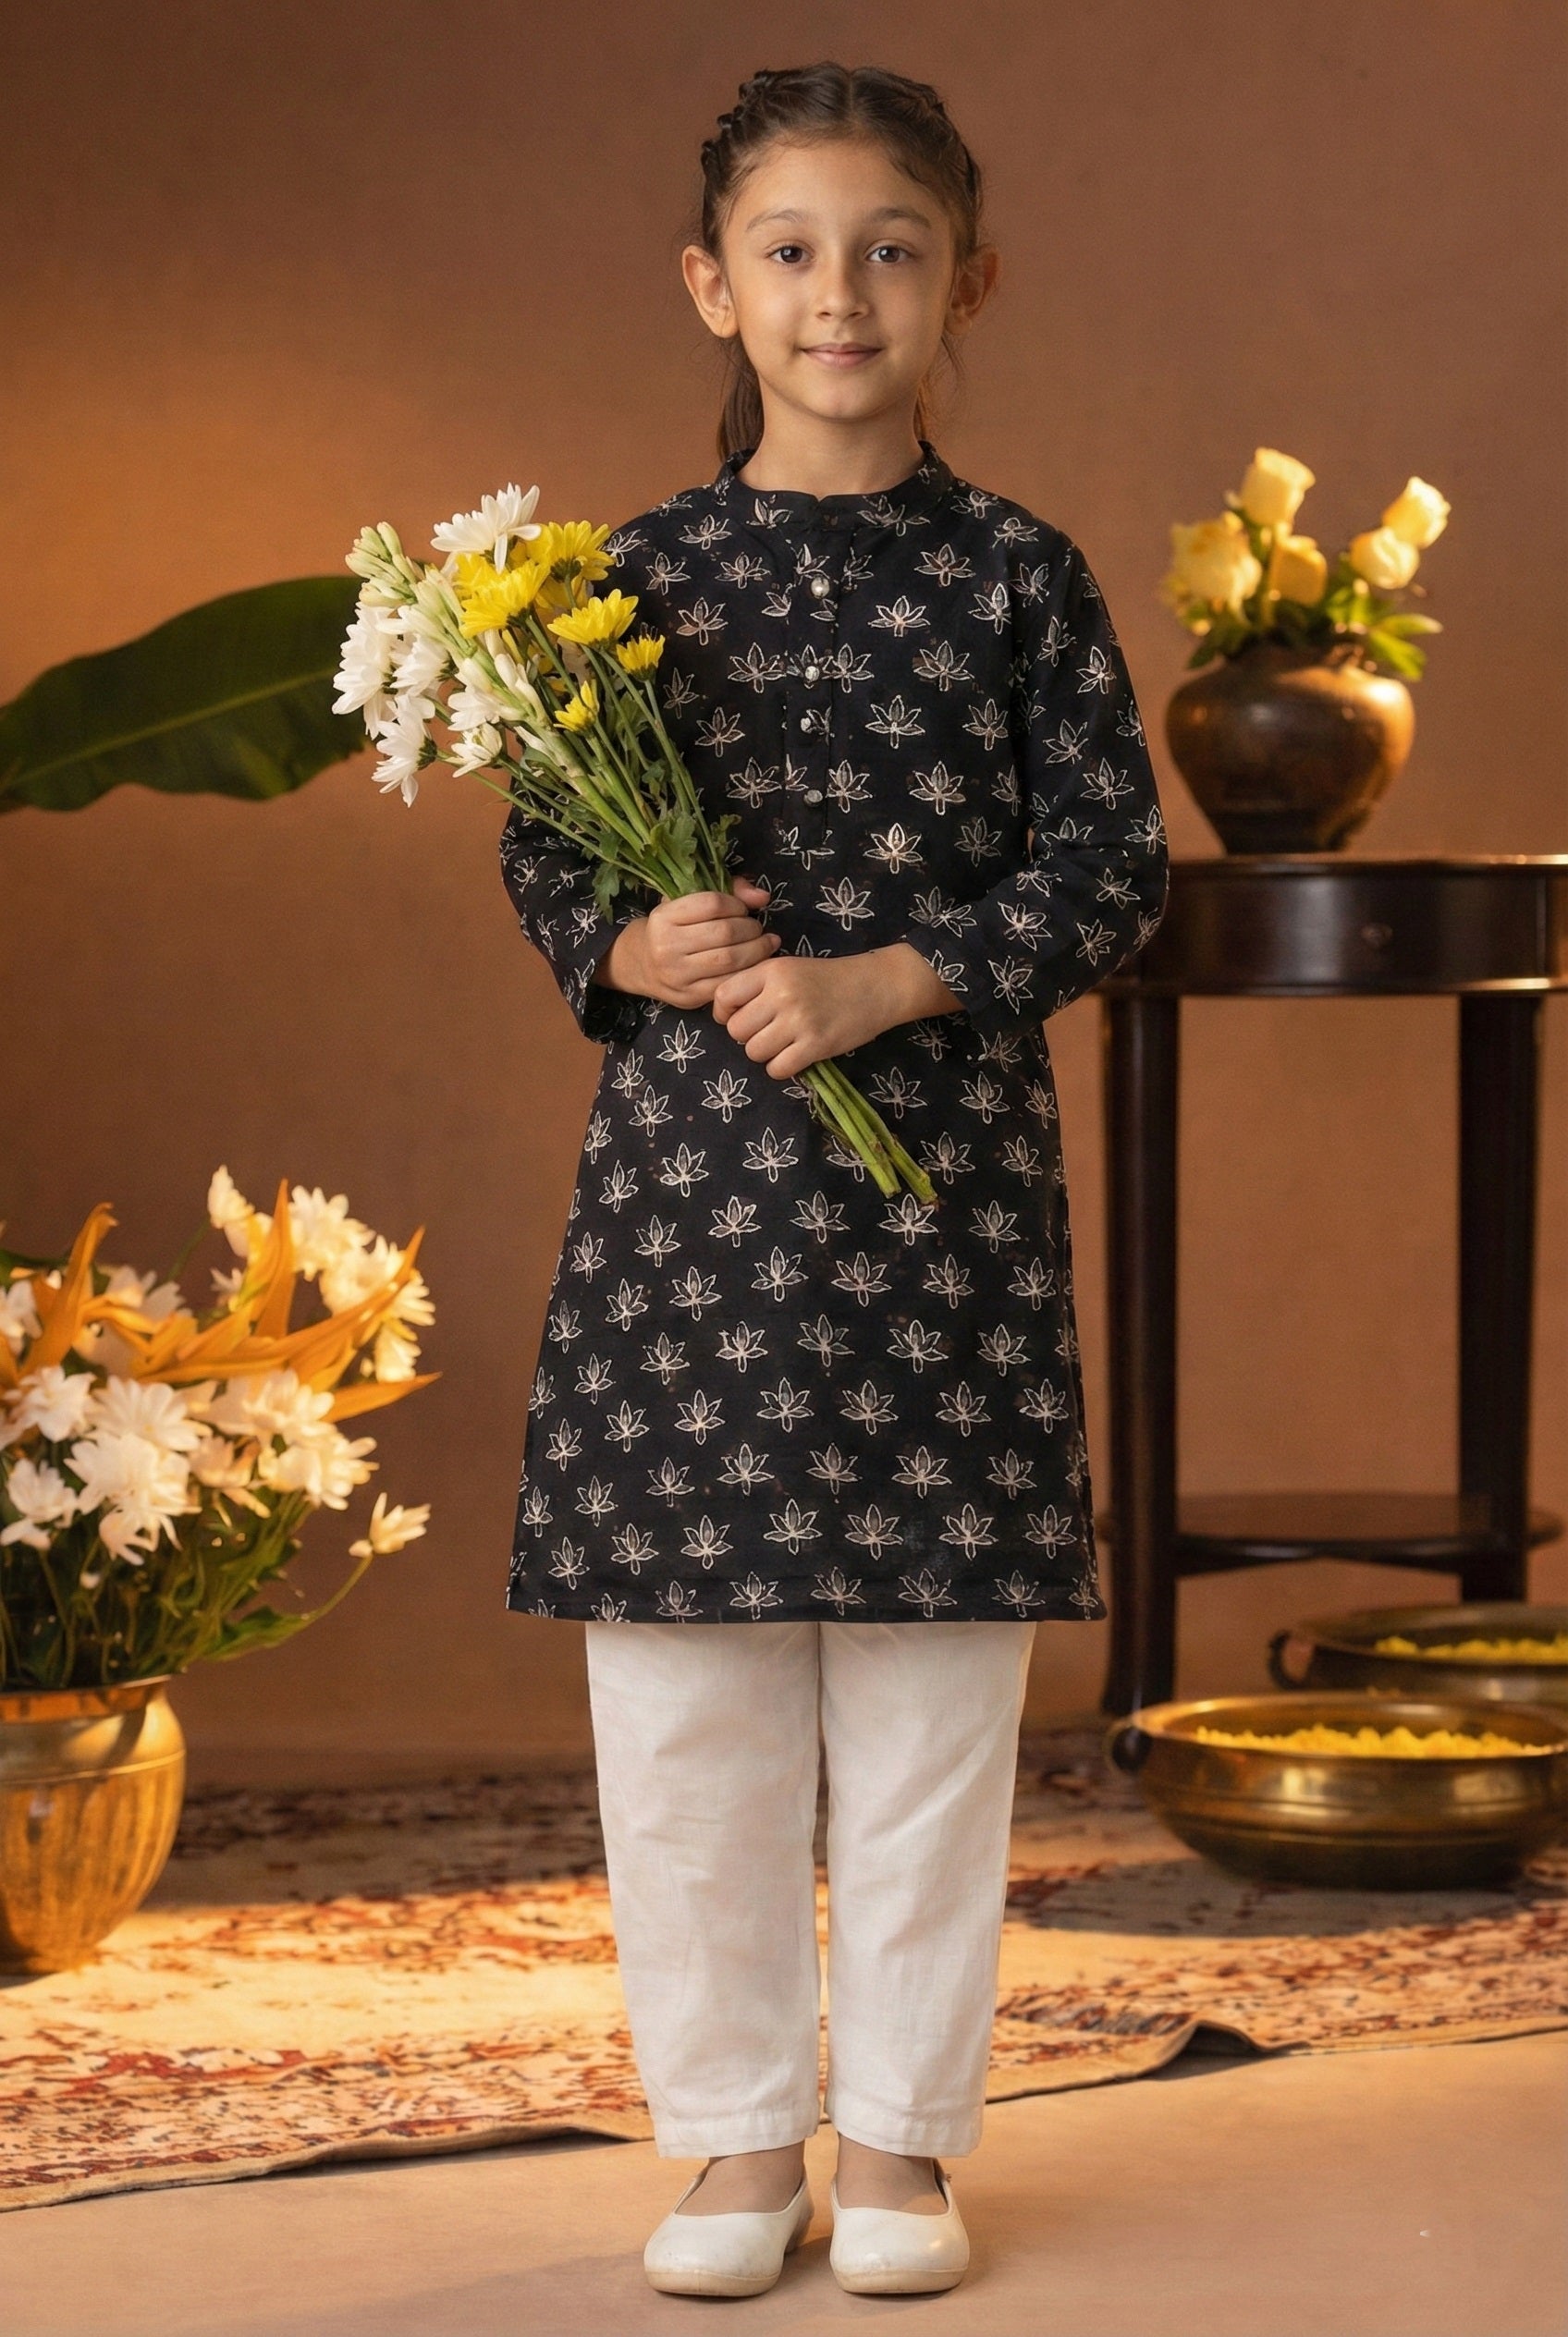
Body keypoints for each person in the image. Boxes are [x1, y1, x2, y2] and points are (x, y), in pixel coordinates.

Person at [499, 60, 1168, 2301]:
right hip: (688, 1215)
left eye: (890, 249)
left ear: (966, 280)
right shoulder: (617, 586)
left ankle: (893, 2143)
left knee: (926, 1689)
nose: (838, 294)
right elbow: (544, 848)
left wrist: (897, 977)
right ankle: (726, 2143)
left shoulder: (1018, 577)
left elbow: (1109, 865)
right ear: (711, 285)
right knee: (683, 1697)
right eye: (787, 251)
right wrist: (629, 942)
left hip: (938, 1208)